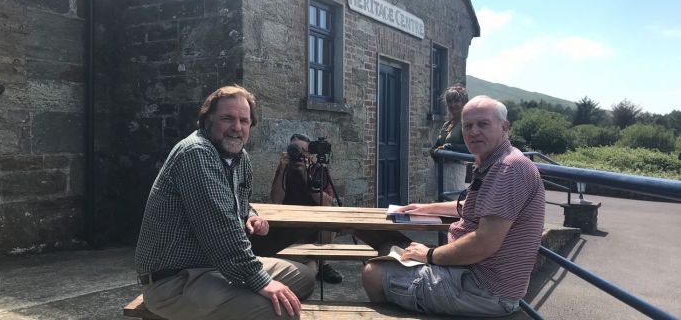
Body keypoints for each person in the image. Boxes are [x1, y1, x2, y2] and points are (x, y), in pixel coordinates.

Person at [135, 85, 315, 320]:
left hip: (214, 268)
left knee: (304, 278)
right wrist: (261, 281)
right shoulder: (196, 153)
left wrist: (250, 215)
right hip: (173, 281)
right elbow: (220, 229)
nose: (237, 128)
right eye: (227, 118)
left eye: (244, 120)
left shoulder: (239, 158)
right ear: (207, 121)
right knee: (283, 312)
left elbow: (238, 204)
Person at [362, 95, 545, 317]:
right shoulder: (496, 161)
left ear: (504, 127)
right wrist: (424, 208)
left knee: (372, 272)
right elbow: (474, 205)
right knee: (388, 249)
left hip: (483, 289)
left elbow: (484, 243)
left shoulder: (509, 168)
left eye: (483, 124)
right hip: (475, 277)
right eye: (467, 125)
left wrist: (429, 254)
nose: (473, 131)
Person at [270, 133, 344, 284]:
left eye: (303, 151)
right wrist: (284, 168)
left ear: (310, 153)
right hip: (291, 226)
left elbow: (326, 203)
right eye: (294, 150)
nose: (298, 155)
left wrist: (306, 175)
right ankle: (313, 263)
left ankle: (324, 264)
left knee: (330, 215)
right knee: (309, 272)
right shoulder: (285, 167)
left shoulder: (319, 169)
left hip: (314, 227)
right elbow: (277, 200)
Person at [429, 84, 470, 200]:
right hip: (440, 170)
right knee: (438, 202)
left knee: (452, 204)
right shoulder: (446, 124)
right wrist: (435, 153)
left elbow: (471, 148)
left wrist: (448, 148)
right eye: (449, 101)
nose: (452, 104)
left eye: (456, 100)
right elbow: (435, 148)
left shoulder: (468, 124)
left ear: (464, 102)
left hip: (454, 171)